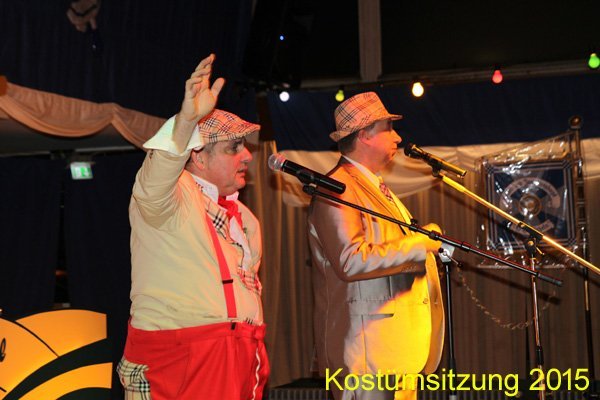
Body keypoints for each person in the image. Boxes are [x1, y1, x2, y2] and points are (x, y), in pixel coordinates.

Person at [117, 54, 269, 400]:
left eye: (244, 147)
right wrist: (186, 122)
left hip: (239, 355)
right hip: (179, 361)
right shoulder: (171, 195)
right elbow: (156, 177)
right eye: (233, 148)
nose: (247, 156)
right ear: (197, 156)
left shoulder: (245, 218)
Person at [308, 92, 445, 400]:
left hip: (393, 350)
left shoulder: (376, 188)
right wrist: (420, 244)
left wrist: (423, 244)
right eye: (388, 128)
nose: (397, 137)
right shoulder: (338, 188)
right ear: (365, 135)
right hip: (366, 355)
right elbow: (350, 260)